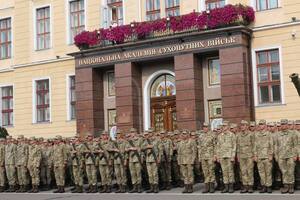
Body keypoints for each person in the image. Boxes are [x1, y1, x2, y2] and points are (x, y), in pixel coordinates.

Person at [275, 119, 298, 194]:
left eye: (284, 124)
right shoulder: (277, 134)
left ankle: (291, 186)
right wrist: (276, 156)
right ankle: (286, 186)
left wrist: (295, 155)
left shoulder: (292, 134)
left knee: (290, 171)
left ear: (287, 125)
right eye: (282, 124)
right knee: (284, 172)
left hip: (290, 156)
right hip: (281, 156)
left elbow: (295, 145)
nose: (283, 125)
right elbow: (276, 146)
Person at [216, 121, 236, 193]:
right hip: (222, 156)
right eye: (223, 126)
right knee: (224, 172)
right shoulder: (220, 136)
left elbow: (234, 146)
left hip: (229, 155)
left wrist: (233, 156)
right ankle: (226, 186)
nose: (223, 127)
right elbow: (217, 147)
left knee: (230, 171)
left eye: (225, 126)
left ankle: (231, 187)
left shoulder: (232, 135)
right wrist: (218, 156)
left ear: (228, 126)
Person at [254, 119, 273, 193]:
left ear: (265, 125)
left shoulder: (269, 134)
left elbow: (271, 145)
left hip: (267, 156)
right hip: (259, 156)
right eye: (260, 124)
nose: (261, 125)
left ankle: (269, 186)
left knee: (268, 172)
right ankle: (264, 186)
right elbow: (255, 146)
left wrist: (271, 154)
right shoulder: (257, 134)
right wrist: (255, 155)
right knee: (261, 172)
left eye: (262, 124)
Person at [236, 120, 255, 193]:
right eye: (241, 125)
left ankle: (250, 186)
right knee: (243, 171)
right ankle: (245, 186)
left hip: (249, 156)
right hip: (241, 156)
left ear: (247, 126)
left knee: (249, 171)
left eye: (244, 125)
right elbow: (238, 146)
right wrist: (238, 156)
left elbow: (254, 145)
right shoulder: (238, 135)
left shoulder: (251, 134)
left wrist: (254, 155)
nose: (242, 126)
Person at [198, 122, 216, 193]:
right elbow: (199, 147)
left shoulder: (213, 135)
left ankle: (212, 187)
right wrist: (199, 156)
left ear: (209, 127)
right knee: (205, 172)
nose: (204, 128)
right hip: (203, 156)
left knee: (211, 171)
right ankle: (206, 187)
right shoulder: (200, 136)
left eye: (206, 127)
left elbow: (215, 146)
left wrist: (215, 155)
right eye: (203, 127)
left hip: (210, 156)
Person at [125, 128, 143, 193]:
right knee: (132, 174)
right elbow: (126, 149)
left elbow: (141, 148)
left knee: (138, 173)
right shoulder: (129, 141)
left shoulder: (140, 140)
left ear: (136, 132)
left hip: (137, 158)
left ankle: (139, 187)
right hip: (131, 159)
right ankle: (134, 187)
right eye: (131, 132)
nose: (132, 133)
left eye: (133, 132)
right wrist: (131, 148)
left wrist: (136, 148)